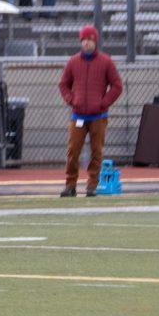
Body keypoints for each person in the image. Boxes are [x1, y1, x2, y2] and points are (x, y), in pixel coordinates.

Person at [58, 26, 122, 198]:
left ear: (95, 41)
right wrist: (71, 100)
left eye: (89, 39)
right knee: (73, 151)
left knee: (97, 151)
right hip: (78, 115)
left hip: (98, 116)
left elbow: (117, 85)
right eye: (83, 40)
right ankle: (70, 185)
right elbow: (63, 84)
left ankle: (92, 185)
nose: (86, 43)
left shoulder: (106, 62)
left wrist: (104, 103)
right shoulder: (73, 62)